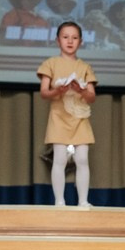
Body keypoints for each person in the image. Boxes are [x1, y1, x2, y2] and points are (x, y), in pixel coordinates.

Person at [37, 22, 96, 207]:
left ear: (80, 41)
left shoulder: (84, 66)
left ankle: (83, 201)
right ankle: (59, 201)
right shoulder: (50, 64)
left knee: (82, 159)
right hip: (59, 116)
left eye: (74, 37)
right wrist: (59, 91)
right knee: (60, 159)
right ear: (57, 40)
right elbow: (44, 92)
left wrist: (80, 90)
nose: (70, 41)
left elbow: (91, 96)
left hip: (80, 118)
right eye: (65, 37)